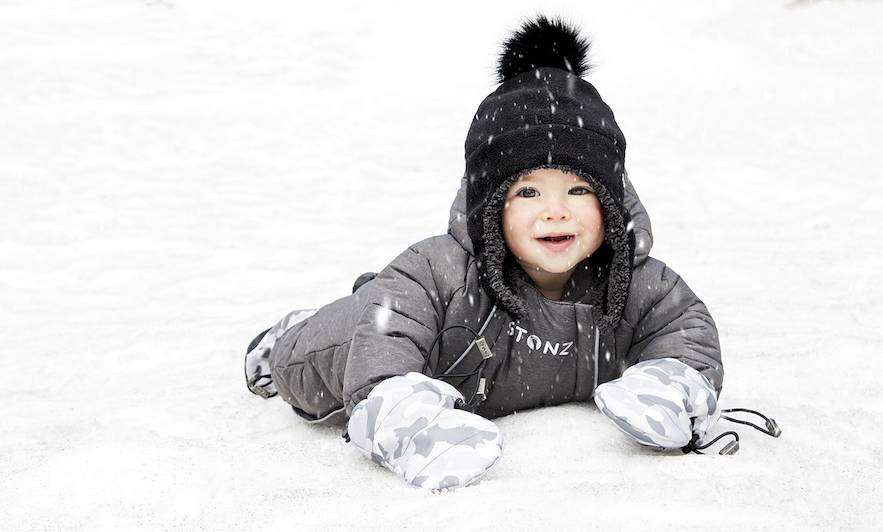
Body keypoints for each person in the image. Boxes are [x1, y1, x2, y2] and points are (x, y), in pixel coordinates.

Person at [243, 16, 759, 491]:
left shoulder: (637, 283)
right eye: (528, 193)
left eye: (579, 191)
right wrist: (403, 413)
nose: (556, 213)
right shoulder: (432, 274)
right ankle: (283, 335)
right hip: (360, 338)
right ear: (490, 209)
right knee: (310, 357)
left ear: (611, 202)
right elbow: (383, 345)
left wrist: (673, 385)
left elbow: (685, 330)